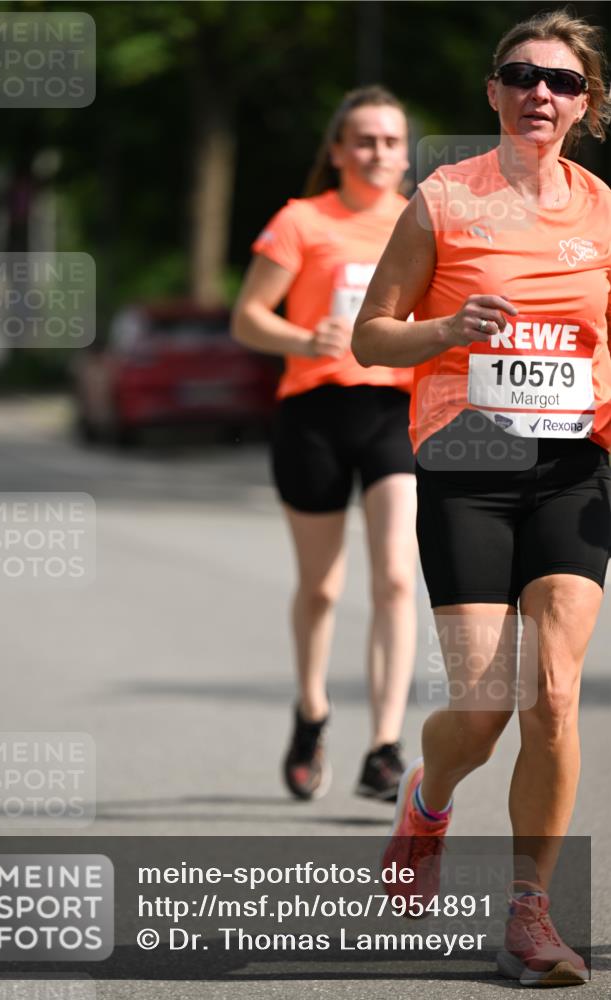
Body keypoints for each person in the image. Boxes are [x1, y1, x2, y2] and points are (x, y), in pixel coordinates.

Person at [353, 9, 610, 987]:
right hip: (466, 468)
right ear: (494, 94)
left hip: (571, 469)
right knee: (486, 705)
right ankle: (427, 798)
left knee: (551, 695)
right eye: (520, 74)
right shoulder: (441, 200)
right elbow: (371, 337)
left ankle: (528, 914)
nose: (539, 91)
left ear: (586, 103)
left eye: (561, 79)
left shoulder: (603, 212)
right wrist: (449, 326)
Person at [232, 87, 418, 802]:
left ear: (406, 154)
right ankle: (311, 711)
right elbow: (248, 318)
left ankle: (384, 745)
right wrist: (302, 338)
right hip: (312, 411)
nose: (377, 152)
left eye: (390, 141)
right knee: (322, 586)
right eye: (363, 140)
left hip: (392, 411)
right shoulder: (301, 221)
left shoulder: (421, 222)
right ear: (337, 151)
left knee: (397, 577)